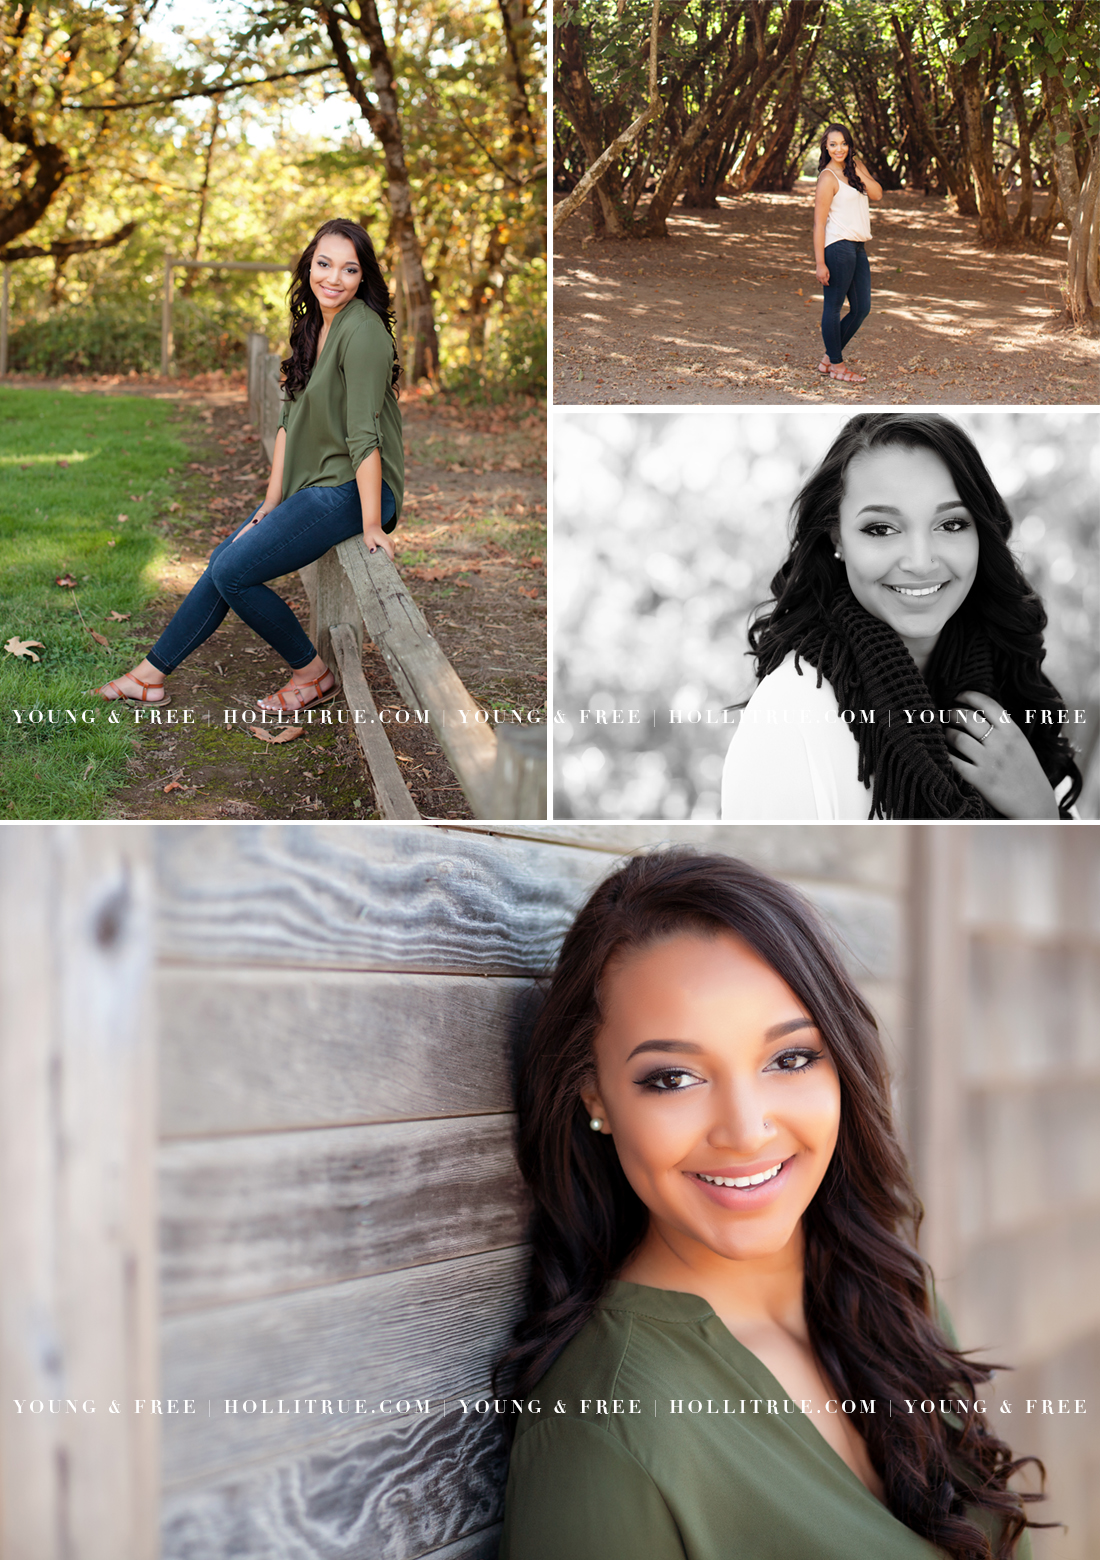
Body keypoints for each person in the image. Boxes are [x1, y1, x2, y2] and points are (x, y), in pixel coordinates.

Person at [497, 850, 1046, 1560]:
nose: (746, 1129)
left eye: (789, 1059)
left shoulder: (888, 1295)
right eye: (673, 1077)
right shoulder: (609, 1430)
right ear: (595, 1096)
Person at [93, 217, 403, 713]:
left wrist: (371, 523)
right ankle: (148, 677)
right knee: (225, 558)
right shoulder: (313, 325)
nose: (333, 278)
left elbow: (364, 435)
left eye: (349, 269)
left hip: (356, 488)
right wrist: (269, 501)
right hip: (317, 484)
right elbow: (287, 419)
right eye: (324, 264)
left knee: (235, 570)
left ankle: (312, 674)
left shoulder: (363, 333)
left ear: (363, 277)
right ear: (309, 265)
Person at [720, 413, 1082, 820]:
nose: (921, 561)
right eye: (881, 529)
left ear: (981, 531)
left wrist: (1038, 809)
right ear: (837, 537)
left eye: (951, 524)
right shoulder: (790, 715)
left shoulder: (1011, 688)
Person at [814, 124, 882, 386]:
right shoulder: (827, 178)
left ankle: (829, 359)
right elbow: (819, 224)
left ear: (850, 145)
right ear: (826, 147)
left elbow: (877, 194)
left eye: (843, 144)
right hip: (837, 246)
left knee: (862, 308)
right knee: (833, 306)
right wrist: (820, 262)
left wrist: (855, 170)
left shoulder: (855, 165)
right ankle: (837, 366)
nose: (839, 149)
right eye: (833, 144)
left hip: (858, 246)